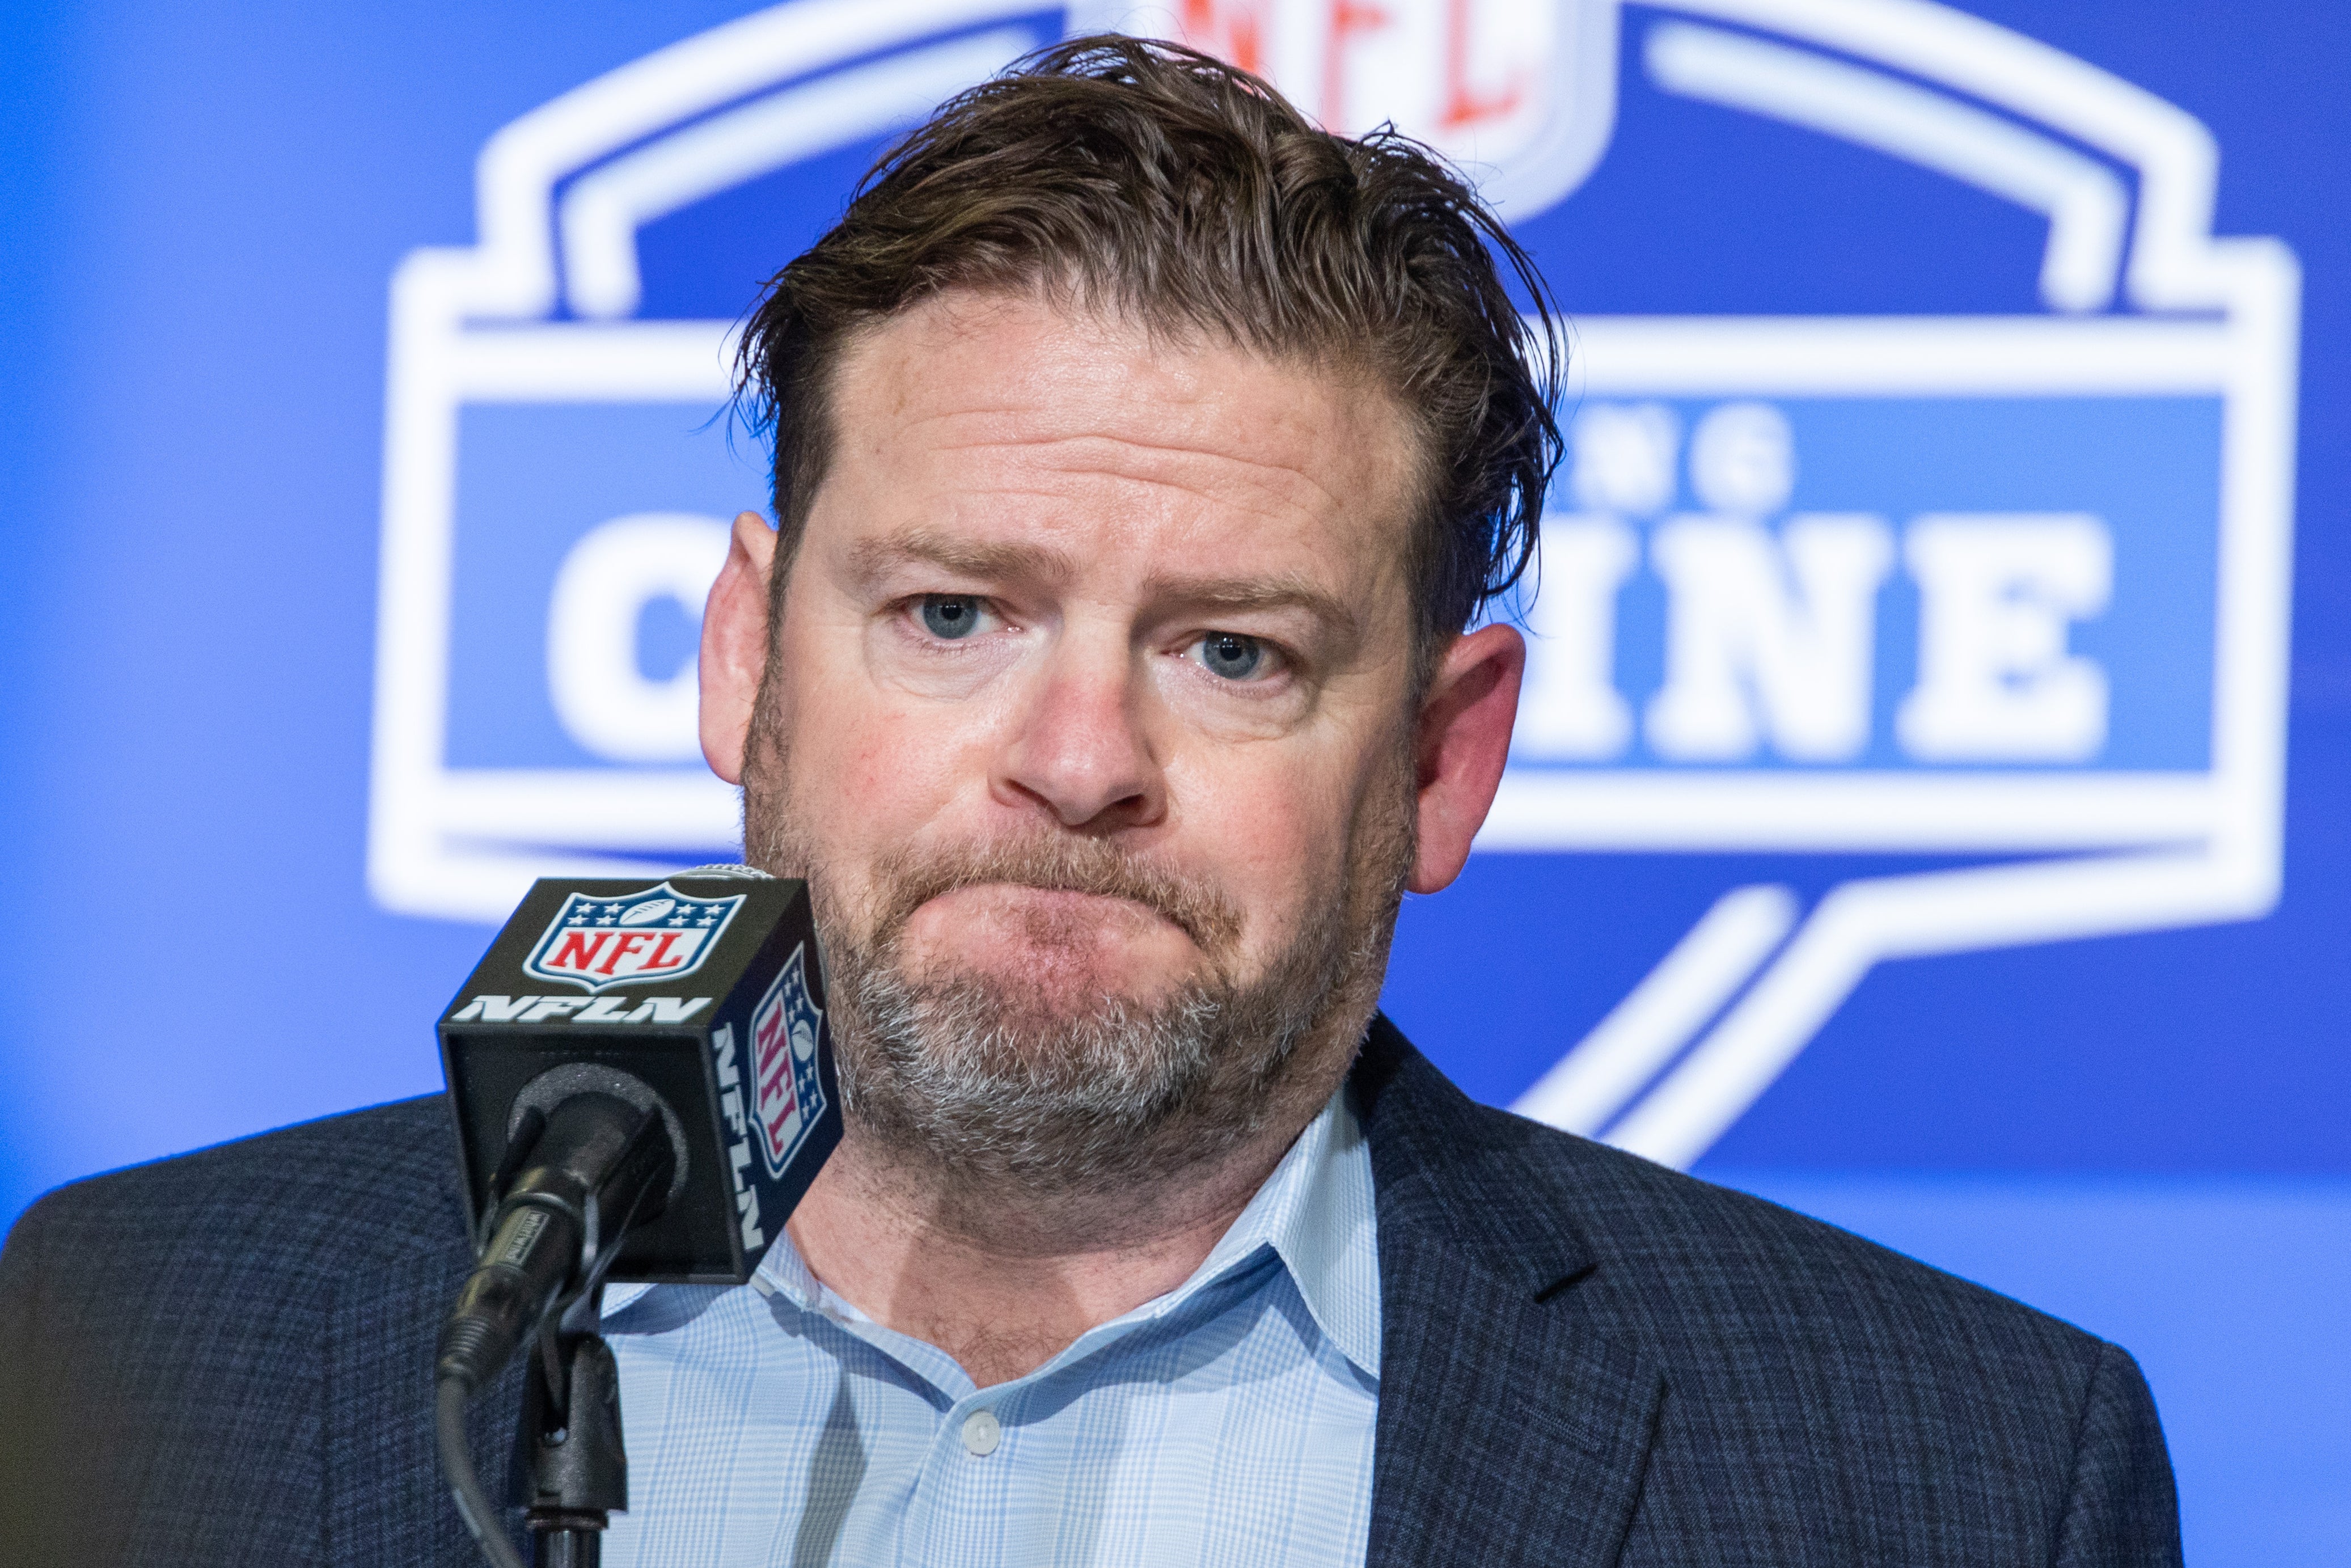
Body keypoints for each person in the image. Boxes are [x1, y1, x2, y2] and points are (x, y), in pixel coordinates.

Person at [0, 37, 2179, 1568]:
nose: (1073, 760)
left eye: (1233, 652)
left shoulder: (1954, 1473)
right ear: (748, 658)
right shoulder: (140, 1338)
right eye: (951, 615)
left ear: (1438, 757)